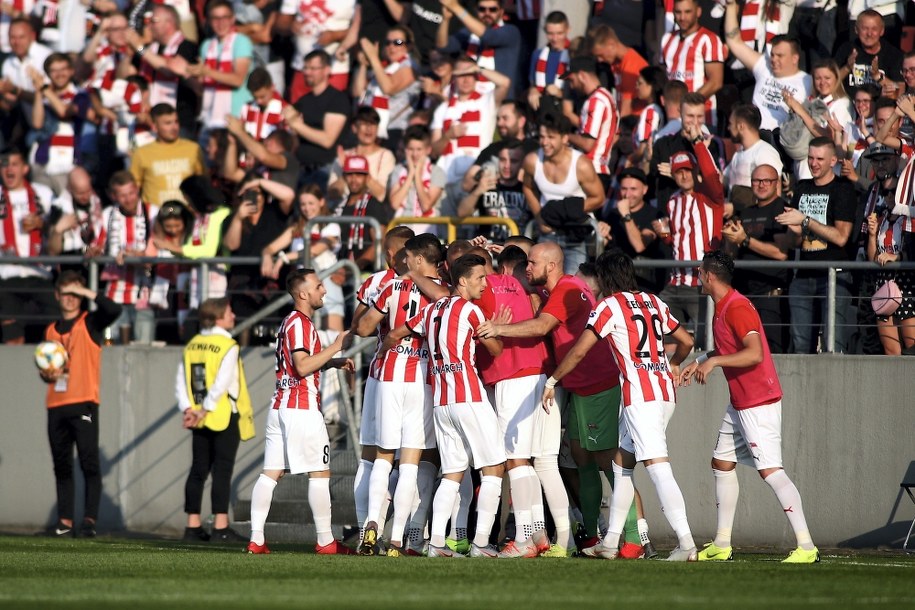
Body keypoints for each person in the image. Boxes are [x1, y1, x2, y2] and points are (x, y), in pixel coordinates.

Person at [478, 242, 655, 558]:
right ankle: (584, 538)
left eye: (531, 263)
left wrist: (498, 328)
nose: (527, 268)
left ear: (551, 265)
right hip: (577, 386)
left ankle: (636, 538)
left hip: (596, 385)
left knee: (609, 463)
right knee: (576, 460)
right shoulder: (564, 288)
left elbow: (542, 324)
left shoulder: (566, 289)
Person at [542, 250, 697, 561]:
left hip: (641, 398)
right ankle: (611, 543)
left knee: (657, 467)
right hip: (663, 392)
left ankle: (687, 543)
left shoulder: (609, 306)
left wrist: (552, 380)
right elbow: (687, 340)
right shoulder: (654, 301)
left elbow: (579, 351)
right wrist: (674, 364)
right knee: (621, 464)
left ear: (605, 278)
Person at [679, 250, 820, 563]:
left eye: (700, 271)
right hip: (739, 403)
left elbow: (754, 353)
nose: (698, 276)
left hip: (758, 401)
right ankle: (722, 544)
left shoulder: (737, 306)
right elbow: (730, 345)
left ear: (709, 276)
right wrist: (701, 360)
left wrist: (714, 361)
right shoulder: (723, 306)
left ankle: (807, 547)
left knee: (771, 471)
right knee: (721, 463)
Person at [383, 253, 506, 558]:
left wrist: (390, 352)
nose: (484, 283)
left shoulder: (432, 310)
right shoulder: (471, 311)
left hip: (442, 402)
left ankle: (437, 544)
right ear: (462, 281)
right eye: (479, 278)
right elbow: (496, 350)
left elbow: (396, 333)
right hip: (469, 397)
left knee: (452, 473)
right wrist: (495, 330)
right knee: (494, 468)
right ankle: (480, 544)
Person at [246, 268, 356, 555]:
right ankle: (325, 541)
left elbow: (303, 363)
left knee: (270, 473)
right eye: (319, 286)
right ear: (304, 293)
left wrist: (332, 362)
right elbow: (302, 366)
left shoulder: (291, 322)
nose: (324, 290)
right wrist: (335, 346)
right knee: (320, 473)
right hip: (301, 408)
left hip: (281, 406)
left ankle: (256, 539)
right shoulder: (300, 323)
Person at [352, 233, 443, 556]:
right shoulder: (442, 292)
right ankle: (396, 539)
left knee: (381, 457)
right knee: (410, 463)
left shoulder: (392, 286)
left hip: (388, 374)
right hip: (423, 377)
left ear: (417, 259)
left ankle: (370, 526)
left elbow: (362, 328)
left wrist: (387, 329)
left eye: (409, 257)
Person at [40, 270, 122, 537]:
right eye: (66, 293)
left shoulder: (90, 322)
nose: (71, 299)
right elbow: (48, 370)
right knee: (61, 465)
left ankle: (89, 521)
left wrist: (87, 291)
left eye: (76, 294)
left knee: (89, 463)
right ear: (57, 295)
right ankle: (64, 522)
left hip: (84, 402)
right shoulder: (51, 330)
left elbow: (113, 308)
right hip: (56, 403)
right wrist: (45, 374)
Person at [175, 297, 255, 542]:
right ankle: (220, 527)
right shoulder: (227, 344)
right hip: (222, 414)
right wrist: (207, 409)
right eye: (229, 311)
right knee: (222, 470)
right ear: (219, 316)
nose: (233, 316)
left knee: (198, 469)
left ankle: (192, 526)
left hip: (198, 415)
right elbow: (222, 382)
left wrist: (189, 408)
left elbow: (181, 379)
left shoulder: (193, 344)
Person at [776, 137, 857, 353]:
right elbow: (794, 240)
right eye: (810, 158)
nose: (814, 163)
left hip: (834, 275)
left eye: (820, 159)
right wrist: (790, 231)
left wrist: (805, 221)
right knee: (801, 345)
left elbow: (841, 237)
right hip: (803, 275)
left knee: (833, 344)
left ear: (833, 161)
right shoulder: (802, 188)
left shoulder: (843, 189)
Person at [721, 164, 792, 353]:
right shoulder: (745, 213)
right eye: (756, 181)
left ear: (776, 183)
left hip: (770, 297)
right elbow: (732, 256)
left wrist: (745, 240)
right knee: (742, 351)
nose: (761, 185)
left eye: (766, 181)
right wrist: (730, 239)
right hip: (744, 295)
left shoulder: (782, 210)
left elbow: (780, 253)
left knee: (771, 352)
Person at [522, 112, 604, 273]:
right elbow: (527, 187)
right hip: (548, 232)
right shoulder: (532, 160)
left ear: (565, 138)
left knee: (572, 286)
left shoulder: (581, 164)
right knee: (541, 284)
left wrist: (566, 209)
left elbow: (599, 198)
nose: (545, 142)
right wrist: (539, 217)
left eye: (551, 137)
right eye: (542, 137)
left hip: (577, 234)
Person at [87, 171, 158, 344]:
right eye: (123, 195)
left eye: (131, 193)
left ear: (138, 190)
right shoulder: (107, 214)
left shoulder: (153, 212)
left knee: (144, 346)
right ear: (114, 196)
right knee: (112, 345)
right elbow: (99, 245)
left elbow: (159, 248)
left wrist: (135, 255)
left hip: (144, 293)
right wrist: (92, 251)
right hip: (114, 293)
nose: (128, 199)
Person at [722, 1, 811, 132]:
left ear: (795, 58)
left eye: (780, 56)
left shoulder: (808, 82)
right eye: (773, 55)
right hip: (755, 138)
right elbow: (734, 42)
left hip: (782, 141)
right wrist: (730, 6)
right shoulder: (764, 66)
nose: (774, 60)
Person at [0, 148, 56, 344]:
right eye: (4, 165)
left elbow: (62, 225)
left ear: (25, 168)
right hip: (6, 275)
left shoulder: (43, 194)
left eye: (14, 164)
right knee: (12, 333)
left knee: (57, 325)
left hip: (39, 273)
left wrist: (43, 224)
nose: (8, 169)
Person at [126, 4, 200, 139]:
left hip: (179, 121)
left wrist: (140, 47)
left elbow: (169, 69)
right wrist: (130, 50)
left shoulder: (187, 46)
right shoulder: (150, 48)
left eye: (153, 21)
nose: (149, 26)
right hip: (151, 120)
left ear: (169, 22)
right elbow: (127, 74)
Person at [186, 0, 253, 144]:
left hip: (235, 115)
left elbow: (238, 79)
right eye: (215, 18)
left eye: (225, 18)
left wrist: (207, 72)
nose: (220, 23)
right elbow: (202, 88)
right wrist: (185, 73)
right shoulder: (207, 45)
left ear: (232, 19)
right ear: (209, 21)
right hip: (211, 115)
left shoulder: (241, 42)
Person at [283, 50, 350, 188]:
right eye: (305, 68)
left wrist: (296, 124)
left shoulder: (337, 99)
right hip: (301, 169)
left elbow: (327, 140)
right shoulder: (303, 101)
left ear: (327, 70)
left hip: (325, 170)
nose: (307, 72)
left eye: (313, 68)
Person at [437, 0, 522, 98]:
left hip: (498, 97)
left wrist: (456, 8)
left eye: (492, 10)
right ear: (476, 11)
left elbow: (489, 37)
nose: (487, 13)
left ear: (501, 11)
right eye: (482, 9)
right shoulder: (469, 33)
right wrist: (445, 20)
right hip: (469, 96)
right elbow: (443, 46)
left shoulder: (511, 31)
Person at [660, 0, 724, 128]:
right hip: (672, 118)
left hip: (702, 119)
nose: (682, 17)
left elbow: (716, 81)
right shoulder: (667, 39)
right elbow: (664, 77)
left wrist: (688, 104)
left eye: (687, 12)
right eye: (678, 12)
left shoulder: (709, 40)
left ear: (698, 12)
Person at [352, 25, 419, 145]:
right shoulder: (382, 67)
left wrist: (373, 58)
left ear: (408, 46)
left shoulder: (410, 66)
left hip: (392, 131)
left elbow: (388, 88)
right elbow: (358, 93)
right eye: (388, 43)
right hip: (370, 128)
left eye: (397, 42)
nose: (391, 47)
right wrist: (363, 64)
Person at [130, 103, 206, 207]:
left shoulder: (193, 149)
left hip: (187, 215)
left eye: (176, 122)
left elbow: (202, 182)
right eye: (167, 123)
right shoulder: (141, 153)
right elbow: (134, 188)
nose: (174, 127)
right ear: (154, 126)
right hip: (156, 217)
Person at [561, 56, 618, 193]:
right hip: (598, 170)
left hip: (591, 171)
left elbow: (587, 143)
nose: (571, 86)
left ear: (581, 76)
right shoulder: (607, 97)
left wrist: (564, 136)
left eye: (572, 80)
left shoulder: (596, 101)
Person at [457, 138, 529, 242]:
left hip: (517, 250)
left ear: (522, 163)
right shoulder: (485, 185)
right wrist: (478, 191)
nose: (507, 166)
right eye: (503, 160)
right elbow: (461, 213)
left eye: (514, 161)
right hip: (487, 249)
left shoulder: (527, 190)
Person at [333, 154, 391, 271]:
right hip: (336, 268)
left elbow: (378, 243)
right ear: (344, 176)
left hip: (364, 273)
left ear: (367, 177)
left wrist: (353, 269)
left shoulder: (374, 205)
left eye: (359, 174)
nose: (354, 179)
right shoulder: (339, 206)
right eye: (350, 174)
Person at [723, 104, 783, 212]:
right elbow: (722, 180)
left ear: (740, 126)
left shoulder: (765, 153)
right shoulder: (738, 154)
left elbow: (775, 193)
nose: (728, 128)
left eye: (731, 124)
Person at [388, 124, 445, 234]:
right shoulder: (398, 170)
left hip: (427, 232)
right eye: (410, 149)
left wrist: (417, 175)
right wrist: (410, 174)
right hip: (401, 230)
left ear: (428, 150)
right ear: (405, 149)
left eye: (419, 149)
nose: (415, 154)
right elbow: (395, 203)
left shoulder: (437, 172)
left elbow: (426, 205)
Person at [836, 9, 903, 97]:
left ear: (882, 31)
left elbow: (900, 92)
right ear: (856, 29)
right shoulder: (846, 49)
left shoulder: (893, 54)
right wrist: (847, 68)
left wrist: (878, 76)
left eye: (874, 29)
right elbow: (829, 84)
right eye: (865, 28)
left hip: (880, 106)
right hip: (849, 105)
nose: (869, 34)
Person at [588, 23, 648, 119]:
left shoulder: (631, 66)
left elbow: (626, 109)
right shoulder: (616, 64)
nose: (599, 60)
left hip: (634, 123)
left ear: (611, 45)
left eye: (600, 55)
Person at [527, 11, 570, 113]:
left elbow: (578, 91)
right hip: (541, 110)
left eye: (559, 33)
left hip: (562, 111)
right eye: (550, 34)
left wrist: (560, 93)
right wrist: (533, 91)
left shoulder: (573, 55)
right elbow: (532, 84)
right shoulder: (537, 55)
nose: (555, 39)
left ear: (568, 30)